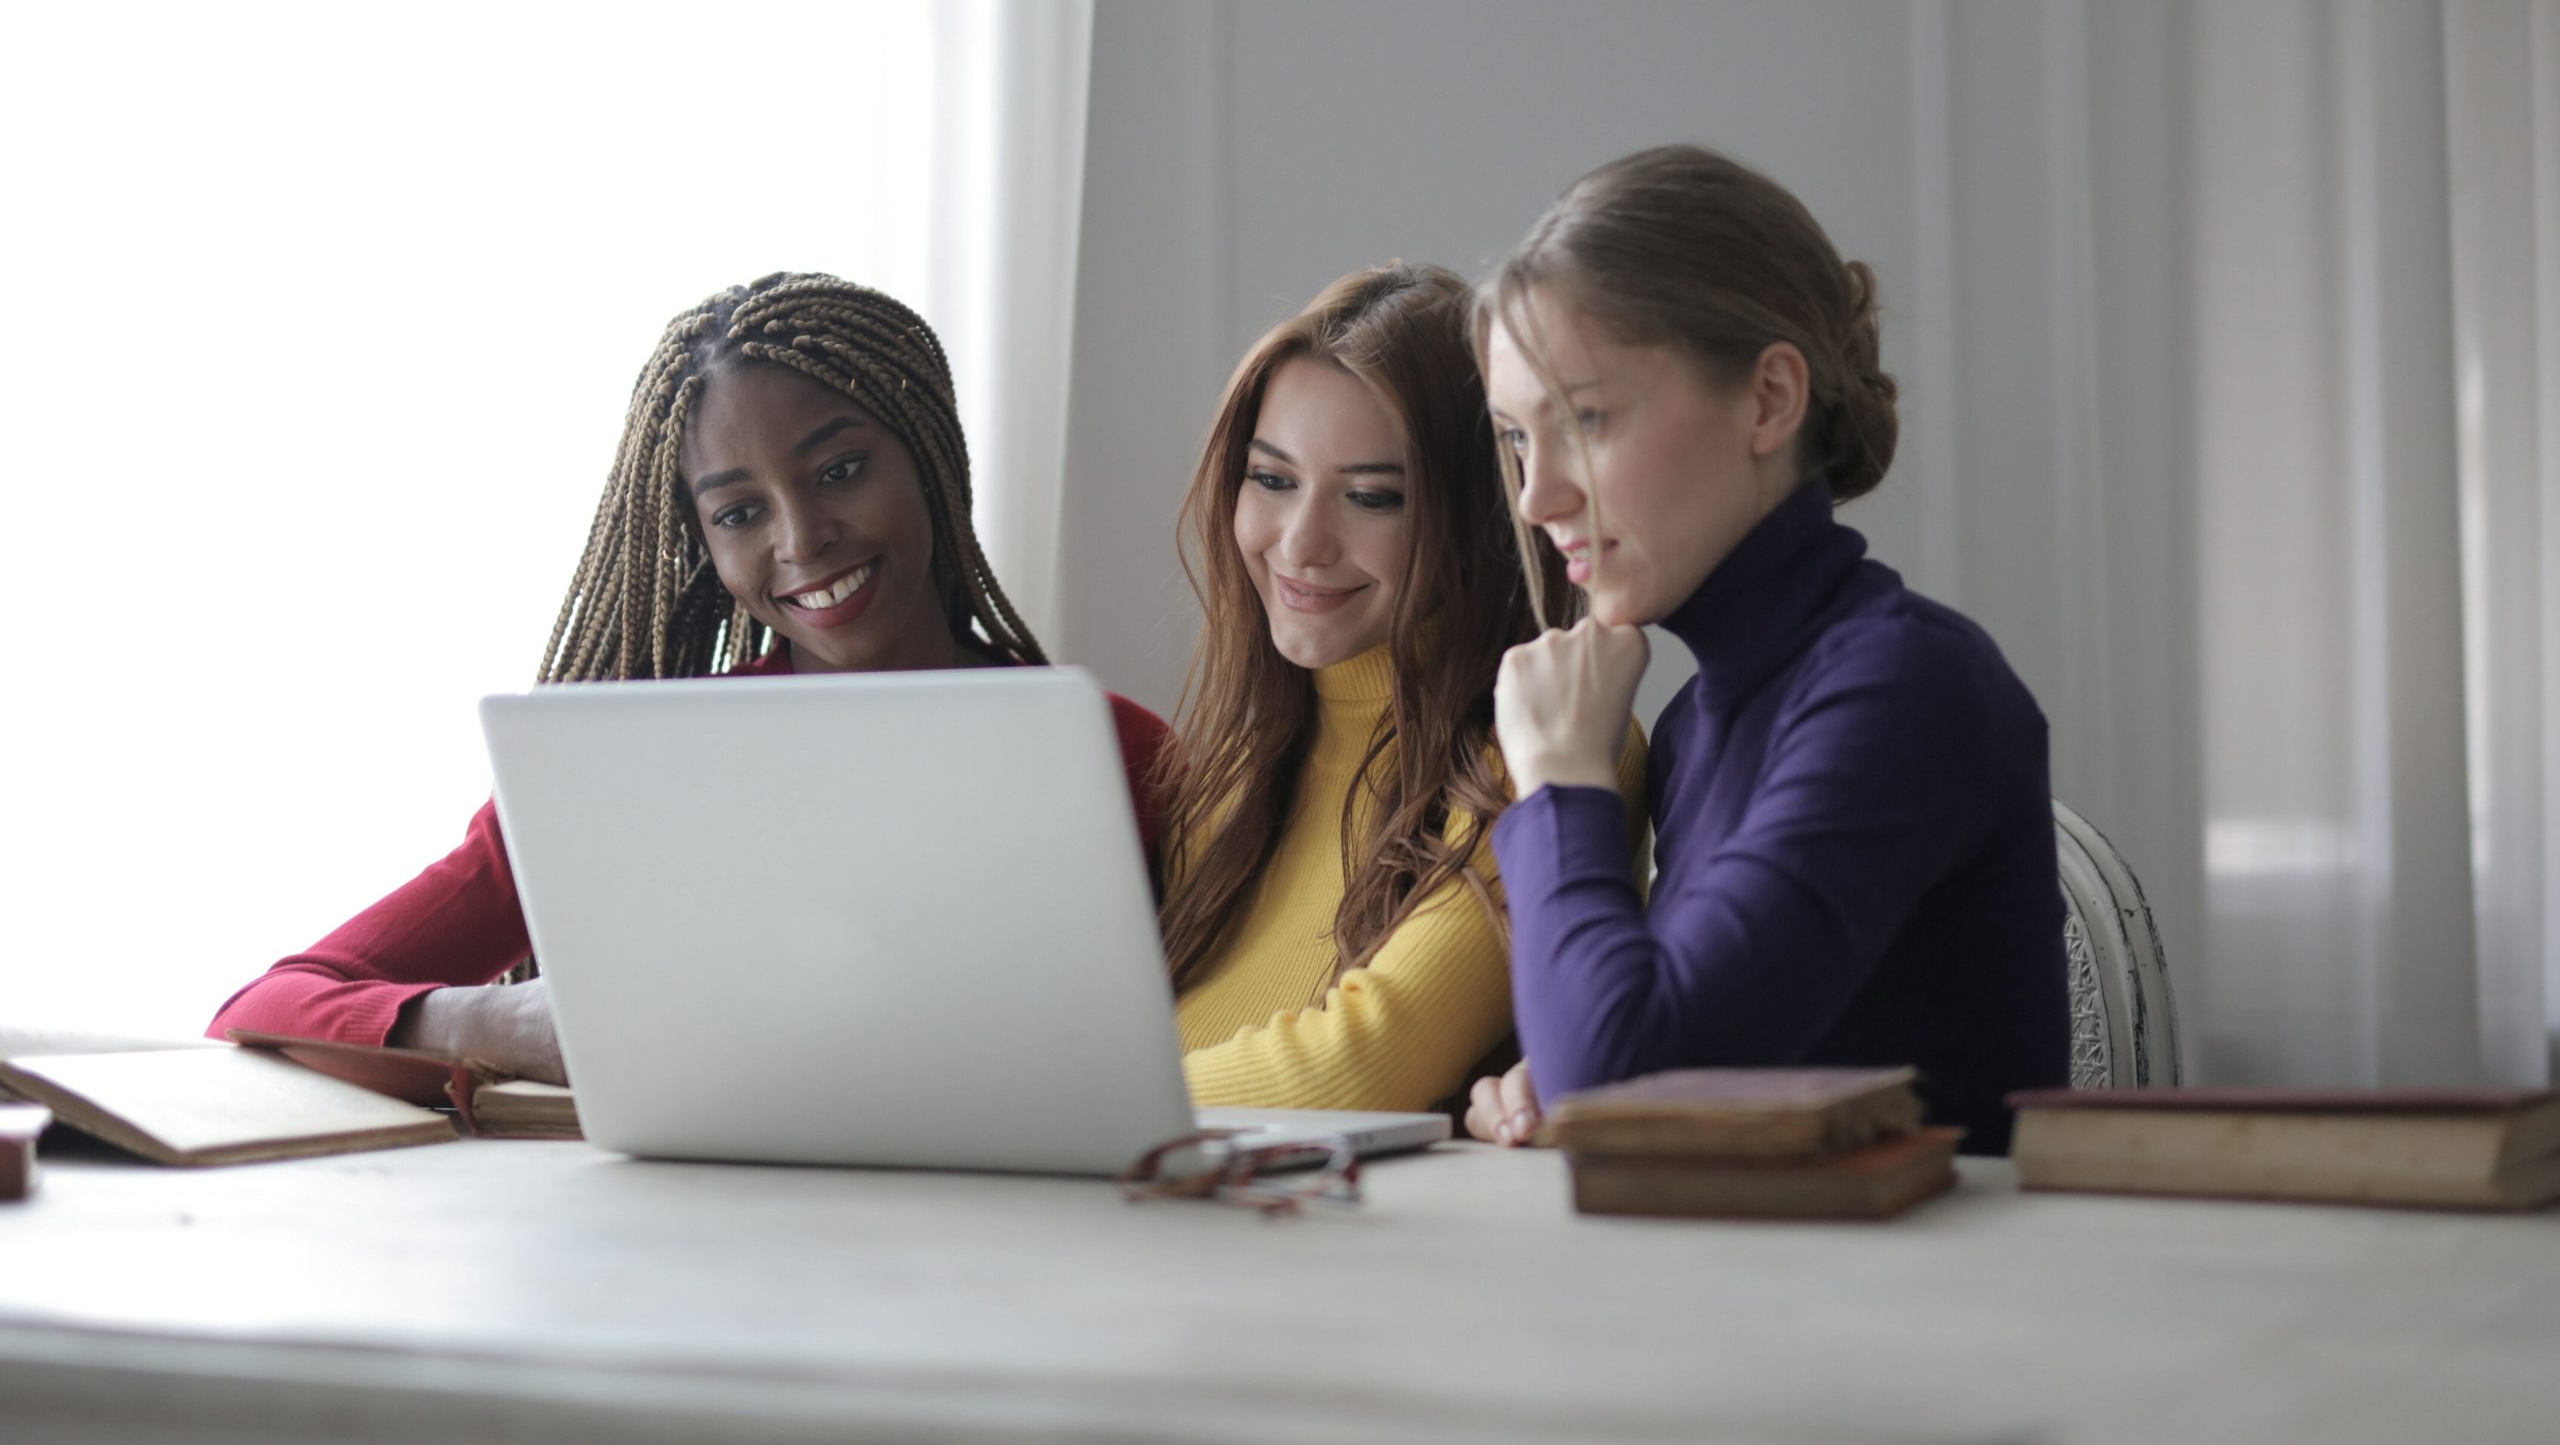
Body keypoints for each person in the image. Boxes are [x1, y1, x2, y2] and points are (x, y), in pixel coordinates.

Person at [210, 273, 1172, 1080]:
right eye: (739, 513)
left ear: (928, 456)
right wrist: (503, 1027)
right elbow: (268, 1008)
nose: (801, 538)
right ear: (703, 543)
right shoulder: (618, 768)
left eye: (839, 471)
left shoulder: (1122, 754)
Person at [1466, 146, 2067, 1155]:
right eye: (1516, 437)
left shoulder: (1904, 687)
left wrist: (1562, 781)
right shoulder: (1695, 723)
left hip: (1925, 1304)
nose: (1536, 497)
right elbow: (1654, 1055)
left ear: (1769, 399)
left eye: (1584, 418)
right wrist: (1556, 1060)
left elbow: (1623, 1078)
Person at [1155, 263, 1645, 1113]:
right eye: (1273, 480)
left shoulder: (1543, 748)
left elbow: (1357, 1069)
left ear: (1476, 520)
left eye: (1372, 497)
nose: (1301, 543)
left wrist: (1051, 1102)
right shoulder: (1234, 765)